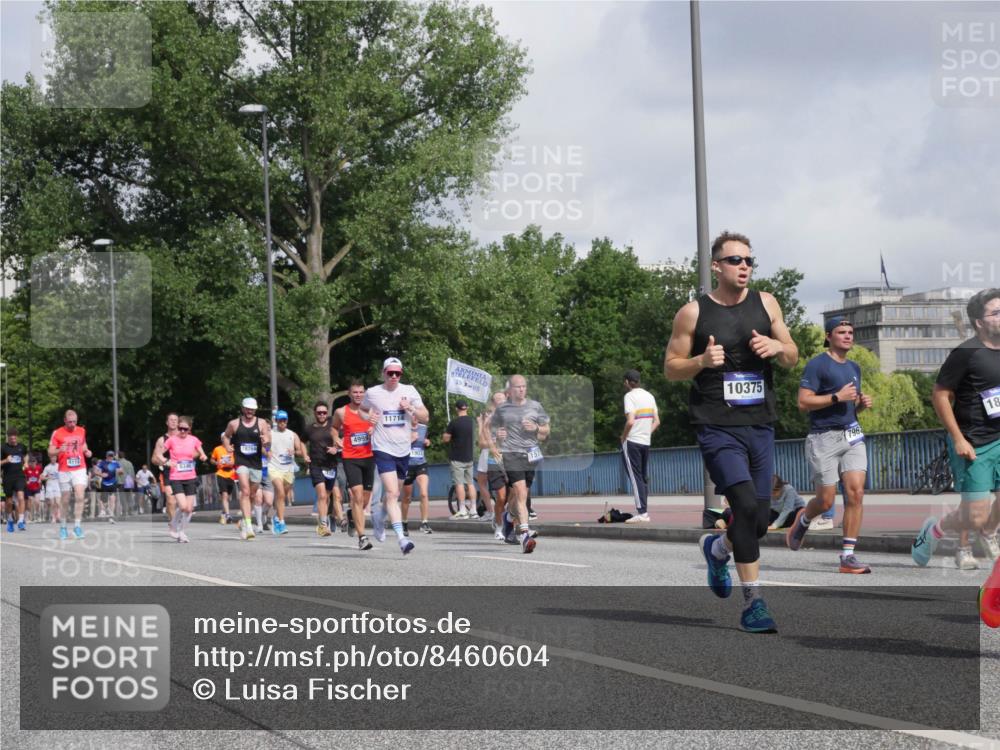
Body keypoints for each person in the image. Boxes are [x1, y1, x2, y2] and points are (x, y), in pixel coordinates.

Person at [665, 230, 798, 633]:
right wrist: (702, 360)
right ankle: (754, 601)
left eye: (749, 261)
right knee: (741, 503)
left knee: (757, 520)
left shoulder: (767, 304)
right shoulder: (693, 313)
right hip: (716, 425)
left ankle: (718, 547)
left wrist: (778, 349)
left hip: (759, 423)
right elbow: (671, 367)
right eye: (736, 260)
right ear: (716, 266)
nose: (744, 267)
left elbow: (792, 355)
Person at [912, 289, 1000, 574]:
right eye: (995, 312)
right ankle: (935, 530)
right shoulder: (966, 353)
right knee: (973, 514)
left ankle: (988, 533)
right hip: (974, 441)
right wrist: (958, 438)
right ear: (978, 322)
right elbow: (940, 395)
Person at [786, 317, 874, 573]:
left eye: (850, 332)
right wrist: (837, 397)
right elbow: (803, 403)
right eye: (841, 332)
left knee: (856, 492)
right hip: (823, 439)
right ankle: (803, 519)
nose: (847, 336)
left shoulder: (854, 367)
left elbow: (848, 406)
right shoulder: (817, 365)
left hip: (852, 437)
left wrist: (859, 405)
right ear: (829, 336)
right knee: (825, 502)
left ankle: (848, 556)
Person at [360, 358, 429, 555]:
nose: (393, 376)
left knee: (394, 494)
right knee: (392, 494)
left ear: (401, 374)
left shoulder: (409, 391)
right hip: (382, 448)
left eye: (397, 373)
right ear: (383, 373)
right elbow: (362, 410)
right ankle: (402, 539)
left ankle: (379, 519)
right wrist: (368, 418)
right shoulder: (373, 392)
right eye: (390, 373)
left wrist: (411, 408)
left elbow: (426, 416)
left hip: (403, 450)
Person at [492, 375, 550, 553]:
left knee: (520, 496)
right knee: (520, 492)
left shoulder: (535, 406)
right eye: (518, 387)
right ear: (510, 390)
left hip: (531, 454)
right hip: (511, 454)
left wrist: (537, 428)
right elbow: (492, 432)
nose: (521, 389)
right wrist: (498, 437)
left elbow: (546, 431)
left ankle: (509, 518)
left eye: (524, 386)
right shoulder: (502, 410)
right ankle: (525, 535)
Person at [333, 381, 376, 550]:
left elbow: (381, 428)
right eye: (355, 392)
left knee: (364, 499)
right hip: (350, 458)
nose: (358, 395)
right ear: (349, 394)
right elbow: (334, 428)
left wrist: (375, 430)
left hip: (369, 457)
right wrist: (336, 438)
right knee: (356, 496)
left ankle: (352, 515)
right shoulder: (341, 412)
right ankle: (362, 537)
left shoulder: (371, 411)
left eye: (361, 392)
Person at [222, 397, 271, 541]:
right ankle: (249, 526)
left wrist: (267, 442)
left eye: (252, 409)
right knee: (245, 490)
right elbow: (226, 436)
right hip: (241, 461)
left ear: (255, 410)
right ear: (243, 409)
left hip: (256, 463)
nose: (250, 411)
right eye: (247, 408)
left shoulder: (261, 423)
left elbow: (268, 440)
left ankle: (244, 520)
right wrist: (226, 446)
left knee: (252, 495)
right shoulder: (234, 423)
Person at [155, 416, 207, 543]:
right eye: (180, 428)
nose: (182, 431)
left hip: (190, 477)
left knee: (189, 509)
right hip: (176, 477)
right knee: (183, 506)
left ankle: (182, 532)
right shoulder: (171, 440)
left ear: (189, 429)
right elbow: (158, 454)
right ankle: (173, 524)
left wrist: (203, 456)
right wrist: (166, 462)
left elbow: (202, 452)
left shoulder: (194, 440)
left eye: (185, 429)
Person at [621, 369, 660, 523]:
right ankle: (644, 510)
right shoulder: (649, 396)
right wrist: (647, 432)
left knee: (635, 476)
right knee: (642, 477)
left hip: (632, 441)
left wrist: (623, 436)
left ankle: (642, 512)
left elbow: (630, 421)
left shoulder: (629, 396)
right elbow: (657, 421)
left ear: (626, 382)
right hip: (645, 441)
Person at [48, 409, 94, 540]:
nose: (72, 424)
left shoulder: (81, 430)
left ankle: (77, 526)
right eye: (70, 422)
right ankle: (63, 527)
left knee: (80, 496)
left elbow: (83, 444)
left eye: (74, 421)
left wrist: (86, 451)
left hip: (79, 468)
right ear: (64, 421)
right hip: (64, 469)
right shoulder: (57, 433)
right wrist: (58, 450)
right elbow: (50, 451)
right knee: (66, 499)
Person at [305, 401, 344, 538]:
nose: (322, 415)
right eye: (319, 412)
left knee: (326, 497)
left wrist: (336, 448)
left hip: (331, 465)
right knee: (322, 495)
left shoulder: (333, 426)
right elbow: (301, 442)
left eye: (324, 412)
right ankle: (323, 525)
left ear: (327, 413)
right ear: (315, 413)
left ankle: (323, 521)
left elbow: (343, 439)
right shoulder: (309, 429)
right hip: (316, 465)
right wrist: (305, 455)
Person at [269, 409, 307, 536]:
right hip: (274, 467)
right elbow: (263, 448)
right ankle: (281, 522)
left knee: (283, 495)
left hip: (288, 469)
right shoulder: (270, 434)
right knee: (279, 491)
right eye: (280, 420)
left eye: (284, 420)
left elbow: (300, 451)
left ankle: (276, 517)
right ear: (276, 420)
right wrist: (266, 452)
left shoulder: (292, 435)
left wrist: (294, 452)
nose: (282, 422)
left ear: (287, 421)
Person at [478, 391, 508, 542]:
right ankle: (499, 526)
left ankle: (518, 527)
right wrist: (495, 441)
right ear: (493, 404)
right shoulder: (489, 421)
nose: (501, 402)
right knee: (501, 498)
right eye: (498, 401)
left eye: (503, 400)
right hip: (494, 462)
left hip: (512, 462)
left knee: (514, 498)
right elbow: (482, 443)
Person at [444, 400, 477, 519]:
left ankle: (463, 510)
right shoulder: (472, 422)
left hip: (457, 457)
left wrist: (449, 430)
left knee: (459, 484)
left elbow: (446, 439)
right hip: (469, 456)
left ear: (457, 409)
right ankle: (473, 510)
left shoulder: (454, 422)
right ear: (466, 408)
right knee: (470, 483)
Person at [401, 415, 432, 534]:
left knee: (424, 493)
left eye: (417, 415)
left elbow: (426, 442)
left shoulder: (423, 428)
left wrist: (427, 442)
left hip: (421, 464)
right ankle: (404, 522)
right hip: (407, 465)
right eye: (412, 415)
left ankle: (424, 523)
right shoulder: (403, 427)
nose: (415, 418)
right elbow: (397, 445)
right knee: (407, 497)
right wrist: (410, 440)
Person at [151, 413, 180, 524]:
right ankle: (174, 523)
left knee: (182, 502)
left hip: (184, 472)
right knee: (170, 499)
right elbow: (154, 459)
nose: (173, 422)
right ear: (167, 423)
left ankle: (172, 514)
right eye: (171, 420)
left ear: (178, 422)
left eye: (175, 420)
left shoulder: (184, 436)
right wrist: (166, 462)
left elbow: (195, 452)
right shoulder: (162, 440)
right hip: (169, 472)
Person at [1, 427, 28, 532]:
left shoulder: (22, 447)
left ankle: (20, 521)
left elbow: (25, 455)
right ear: (8, 438)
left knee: (21, 496)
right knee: (9, 501)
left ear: (17, 438)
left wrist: (25, 462)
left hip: (19, 476)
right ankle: (10, 519)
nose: (13, 440)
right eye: (11, 439)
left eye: (15, 438)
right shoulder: (3, 448)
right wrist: (5, 460)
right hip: (8, 477)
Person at [210, 441, 237, 524]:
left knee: (227, 497)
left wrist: (234, 462)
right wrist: (216, 462)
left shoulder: (233, 448)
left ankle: (223, 513)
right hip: (221, 473)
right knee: (224, 495)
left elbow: (238, 459)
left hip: (232, 474)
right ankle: (228, 515)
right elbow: (212, 460)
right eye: (224, 439)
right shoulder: (217, 449)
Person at [97, 450, 122, 524]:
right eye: (109, 455)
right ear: (106, 456)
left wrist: (120, 471)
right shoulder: (102, 463)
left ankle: (111, 516)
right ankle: (106, 510)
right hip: (104, 483)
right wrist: (101, 475)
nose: (111, 457)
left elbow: (121, 471)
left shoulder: (116, 463)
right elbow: (96, 471)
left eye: (112, 456)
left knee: (112, 499)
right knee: (104, 501)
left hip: (113, 483)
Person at [41, 456, 61, 524]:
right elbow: (42, 477)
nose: (53, 459)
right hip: (50, 486)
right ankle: (53, 517)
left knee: (58, 502)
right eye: (52, 458)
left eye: (55, 458)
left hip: (58, 486)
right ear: (50, 458)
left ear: (56, 458)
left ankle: (58, 515)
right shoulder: (47, 467)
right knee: (52, 503)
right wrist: (47, 477)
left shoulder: (59, 466)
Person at [24, 454, 43, 523]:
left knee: (37, 502)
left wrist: (40, 479)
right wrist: (26, 481)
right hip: (29, 488)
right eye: (31, 462)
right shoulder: (26, 469)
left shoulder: (39, 468)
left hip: (37, 487)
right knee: (30, 502)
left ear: (36, 462)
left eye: (34, 462)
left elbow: (42, 475)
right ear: (29, 463)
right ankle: (30, 517)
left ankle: (37, 516)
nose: (32, 463)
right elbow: (23, 477)